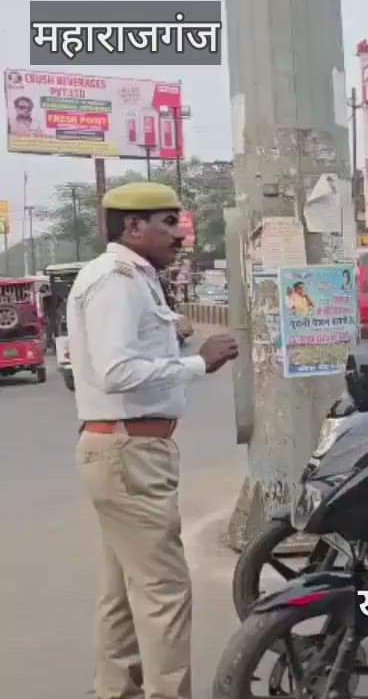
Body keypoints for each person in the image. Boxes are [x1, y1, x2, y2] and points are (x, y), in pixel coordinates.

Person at [67, 182, 239, 699]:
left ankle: (115, 690)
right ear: (133, 226)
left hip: (126, 450)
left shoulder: (133, 278)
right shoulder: (116, 281)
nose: (179, 235)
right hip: (130, 453)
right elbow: (117, 371)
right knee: (164, 592)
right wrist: (198, 363)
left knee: (123, 592)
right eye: (168, 222)